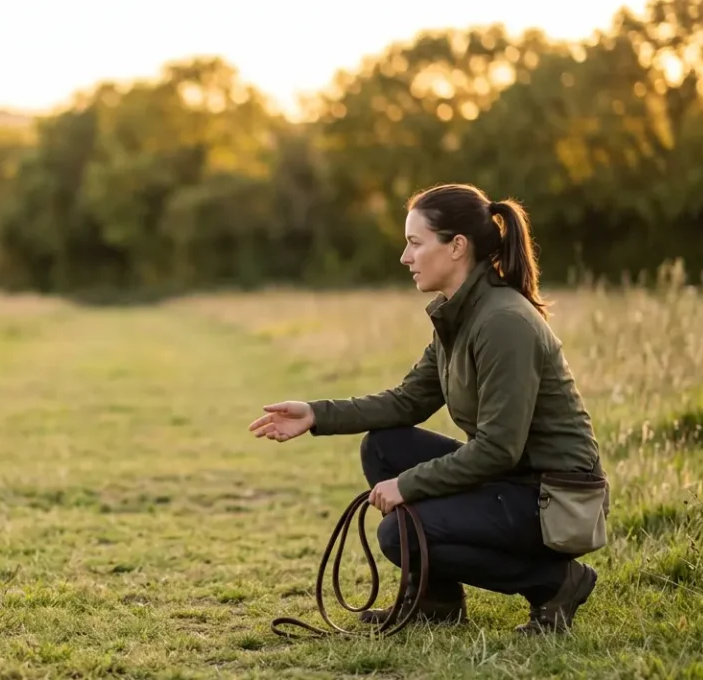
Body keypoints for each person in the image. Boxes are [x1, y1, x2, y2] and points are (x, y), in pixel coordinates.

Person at [247, 183, 606, 635]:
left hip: (554, 499)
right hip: (514, 482)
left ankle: (555, 582)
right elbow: (408, 401)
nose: (405, 256)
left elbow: (498, 449)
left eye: (415, 243)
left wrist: (408, 486)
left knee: (399, 533)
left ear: (456, 247)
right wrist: (316, 414)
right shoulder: (459, 316)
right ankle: (435, 600)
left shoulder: (503, 323)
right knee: (384, 447)